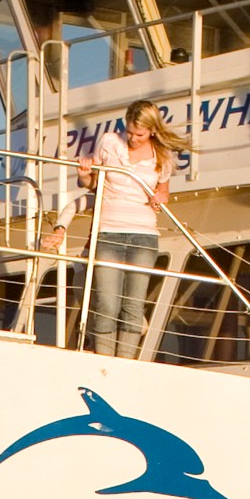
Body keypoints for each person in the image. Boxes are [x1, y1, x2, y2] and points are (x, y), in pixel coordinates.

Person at [75, 100, 177, 357]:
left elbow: (163, 191)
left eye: (139, 134)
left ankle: (126, 364)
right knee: (107, 303)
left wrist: (161, 197)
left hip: (144, 235)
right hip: (108, 231)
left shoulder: (162, 156)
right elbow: (92, 185)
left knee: (133, 305)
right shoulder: (109, 142)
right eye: (129, 131)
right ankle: (104, 360)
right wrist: (85, 174)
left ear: (152, 130)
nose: (132, 138)